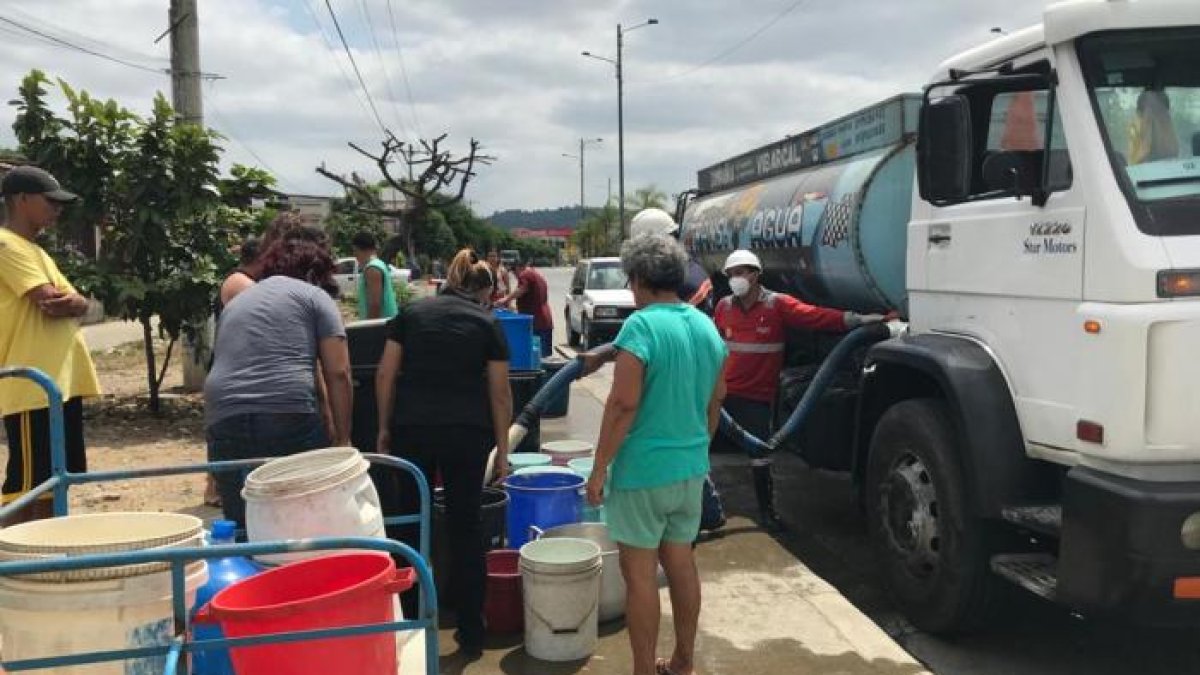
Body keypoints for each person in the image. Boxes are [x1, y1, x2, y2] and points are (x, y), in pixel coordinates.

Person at [584, 234, 727, 675]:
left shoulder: (641, 326)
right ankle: (683, 662)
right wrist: (698, 448)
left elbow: (623, 404)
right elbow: (716, 399)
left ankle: (644, 670)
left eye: (630, 280)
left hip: (643, 473)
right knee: (681, 564)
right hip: (690, 472)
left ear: (640, 278)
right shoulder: (705, 325)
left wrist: (598, 468)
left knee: (640, 577)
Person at [375, 248, 512, 657]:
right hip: (466, 434)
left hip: (412, 429)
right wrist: (503, 450)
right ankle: (471, 633)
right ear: (480, 290)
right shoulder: (487, 322)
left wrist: (383, 428)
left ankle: (412, 626)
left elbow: (385, 374)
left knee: (409, 526)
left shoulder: (412, 314)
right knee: (466, 528)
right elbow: (500, 393)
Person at [714, 249, 887, 531]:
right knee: (698, 452)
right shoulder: (724, 307)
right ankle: (701, 511)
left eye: (741, 272)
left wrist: (858, 320)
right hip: (723, 394)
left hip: (757, 397)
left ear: (756, 275)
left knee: (760, 455)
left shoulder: (776, 305)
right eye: (732, 274)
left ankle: (767, 513)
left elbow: (815, 317)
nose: (736, 279)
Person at [204, 226, 352, 527]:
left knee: (243, 519)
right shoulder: (314, 296)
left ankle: (247, 564)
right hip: (287, 414)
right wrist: (343, 438)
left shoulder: (241, 299)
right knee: (302, 517)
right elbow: (338, 372)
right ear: (317, 271)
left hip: (222, 414)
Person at [0, 166, 100, 524]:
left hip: (56, 385)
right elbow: (52, 301)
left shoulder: (36, 251)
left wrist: (78, 302)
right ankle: (11, 564)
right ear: (21, 199)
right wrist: (77, 302)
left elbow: (77, 303)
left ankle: (45, 555)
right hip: (31, 386)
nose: (58, 210)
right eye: (50, 202)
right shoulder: (6, 244)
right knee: (27, 485)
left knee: (57, 479)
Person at [501, 259, 553, 357]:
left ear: (518, 268)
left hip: (536, 323)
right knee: (545, 358)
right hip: (545, 321)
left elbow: (522, 289)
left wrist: (505, 299)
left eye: (514, 274)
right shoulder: (537, 275)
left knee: (536, 359)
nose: (516, 278)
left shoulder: (525, 274)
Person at [351, 231, 399, 320]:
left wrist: (369, 329)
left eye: (355, 251)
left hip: (379, 326)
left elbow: (375, 305)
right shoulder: (378, 264)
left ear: (358, 249)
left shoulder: (372, 269)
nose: (355, 255)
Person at [1129, 89, 1179, 165]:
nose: (1156, 120)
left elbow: (1172, 153)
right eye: (1151, 111)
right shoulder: (1134, 132)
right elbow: (1137, 161)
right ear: (1140, 115)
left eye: (1160, 112)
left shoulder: (1167, 128)